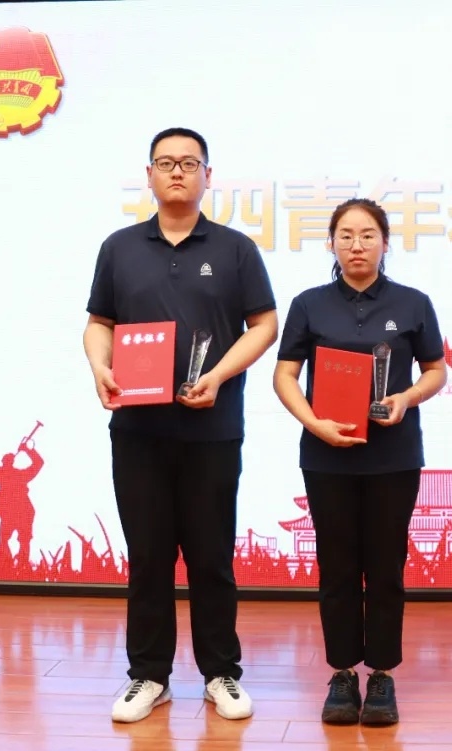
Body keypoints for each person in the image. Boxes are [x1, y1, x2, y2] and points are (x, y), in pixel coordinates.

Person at [84, 127, 278, 723]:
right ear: (148, 174)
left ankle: (221, 672)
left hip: (211, 431)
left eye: (189, 163)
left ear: (207, 176)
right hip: (138, 432)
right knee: (147, 557)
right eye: (165, 163)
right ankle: (149, 676)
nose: (176, 172)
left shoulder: (235, 249)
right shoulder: (119, 247)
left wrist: (217, 376)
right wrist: (99, 366)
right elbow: (99, 324)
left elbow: (264, 325)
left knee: (211, 556)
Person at [273, 197, 447, 726]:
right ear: (331, 243)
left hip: (393, 457)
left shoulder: (413, 303)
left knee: (386, 566)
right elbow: (285, 375)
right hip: (326, 455)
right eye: (346, 235)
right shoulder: (309, 304)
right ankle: (344, 673)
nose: (356, 245)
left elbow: (436, 370)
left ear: (385, 243)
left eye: (368, 235)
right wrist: (314, 423)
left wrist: (406, 398)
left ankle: (383, 674)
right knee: (338, 566)